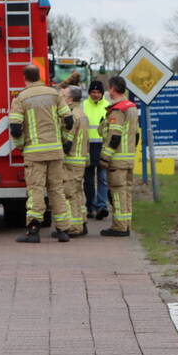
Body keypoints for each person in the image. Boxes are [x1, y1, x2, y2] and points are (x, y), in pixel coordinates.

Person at [9, 64, 74, 243]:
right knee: (57, 190)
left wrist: (22, 145)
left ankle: (33, 231)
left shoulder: (21, 98)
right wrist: (60, 140)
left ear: (25, 78)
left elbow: (15, 128)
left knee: (36, 191)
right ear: (39, 76)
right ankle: (62, 231)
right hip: (55, 151)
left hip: (34, 154)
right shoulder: (54, 94)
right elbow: (68, 120)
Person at [99, 76, 139, 237]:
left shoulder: (118, 110)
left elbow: (114, 136)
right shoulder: (131, 107)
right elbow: (136, 135)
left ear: (113, 89)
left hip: (117, 160)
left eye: (109, 88)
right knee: (126, 192)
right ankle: (126, 224)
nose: (108, 91)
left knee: (117, 193)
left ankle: (119, 227)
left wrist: (104, 158)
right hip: (128, 158)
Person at [61, 85, 90, 237]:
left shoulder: (72, 116)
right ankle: (82, 221)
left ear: (70, 99)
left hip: (71, 161)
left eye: (64, 95)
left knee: (69, 194)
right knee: (78, 193)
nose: (62, 97)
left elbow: (67, 142)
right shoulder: (83, 114)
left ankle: (74, 227)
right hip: (80, 160)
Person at [82, 80, 109, 220]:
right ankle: (90, 206)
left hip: (103, 147)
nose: (96, 94)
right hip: (87, 147)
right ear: (89, 93)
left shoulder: (108, 106)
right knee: (88, 180)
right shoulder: (83, 105)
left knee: (103, 178)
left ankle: (101, 206)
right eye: (93, 92)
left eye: (98, 92)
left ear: (102, 93)